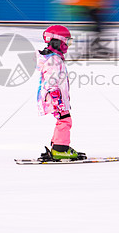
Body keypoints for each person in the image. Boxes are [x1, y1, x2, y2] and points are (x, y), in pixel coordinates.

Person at [36, 24, 85, 161]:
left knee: (62, 120)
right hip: (54, 97)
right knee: (65, 120)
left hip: (55, 97)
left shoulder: (54, 58)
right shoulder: (53, 60)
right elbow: (51, 82)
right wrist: (57, 99)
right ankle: (60, 149)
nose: (68, 45)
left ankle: (57, 146)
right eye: (67, 41)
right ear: (57, 41)